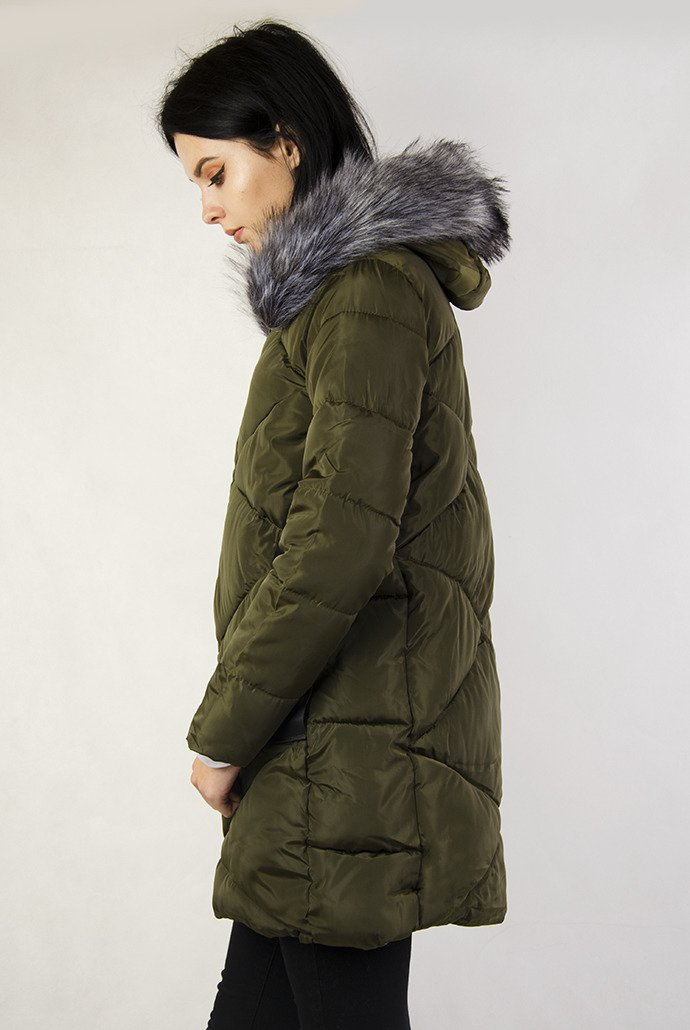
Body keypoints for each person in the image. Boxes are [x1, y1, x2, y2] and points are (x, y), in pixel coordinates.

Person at [157, 17, 511, 1030]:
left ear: (286, 142)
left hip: (349, 758)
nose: (208, 207)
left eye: (217, 173)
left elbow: (337, 541)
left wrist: (225, 733)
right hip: (322, 747)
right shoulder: (337, 300)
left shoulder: (366, 295)